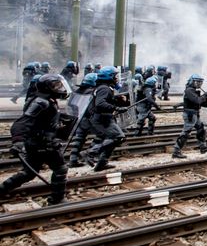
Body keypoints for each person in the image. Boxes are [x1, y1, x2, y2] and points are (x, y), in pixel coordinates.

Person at [0, 74, 72, 205]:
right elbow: (21, 123)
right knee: (60, 169)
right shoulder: (41, 102)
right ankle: (57, 199)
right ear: (46, 87)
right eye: (55, 86)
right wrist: (17, 141)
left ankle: (2, 190)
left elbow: (41, 120)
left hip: (38, 143)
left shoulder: (47, 100)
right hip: (43, 144)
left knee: (28, 173)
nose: (59, 88)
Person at [84, 66, 129, 171]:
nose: (117, 78)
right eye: (115, 76)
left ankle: (102, 163)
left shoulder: (104, 87)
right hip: (102, 118)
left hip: (105, 117)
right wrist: (116, 108)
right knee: (118, 137)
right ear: (109, 77)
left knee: (113, 139)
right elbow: (100, 104)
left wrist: (117, 101)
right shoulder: (104, 88)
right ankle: (90, 153)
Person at [172, 74, 207, 158]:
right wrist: (204, 96)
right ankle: (176, 151)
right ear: (192, 81)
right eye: (197, 82)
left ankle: (203, 147)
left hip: (194, 114)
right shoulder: (189, 90)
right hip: (190, 115)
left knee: (201, 129)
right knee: (186, 133)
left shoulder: (193, 90)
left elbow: (200, 103)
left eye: (200, 82)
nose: (199, 84)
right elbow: (197, 101)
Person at [66, 73, 100, 167]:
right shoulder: (93, 92)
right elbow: (92, 108)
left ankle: (73, 160)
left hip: (78, 118)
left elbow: (70, 105)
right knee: (101, 135)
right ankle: (90, 153)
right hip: (89, 119)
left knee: (79, 139)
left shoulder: (77, 91)